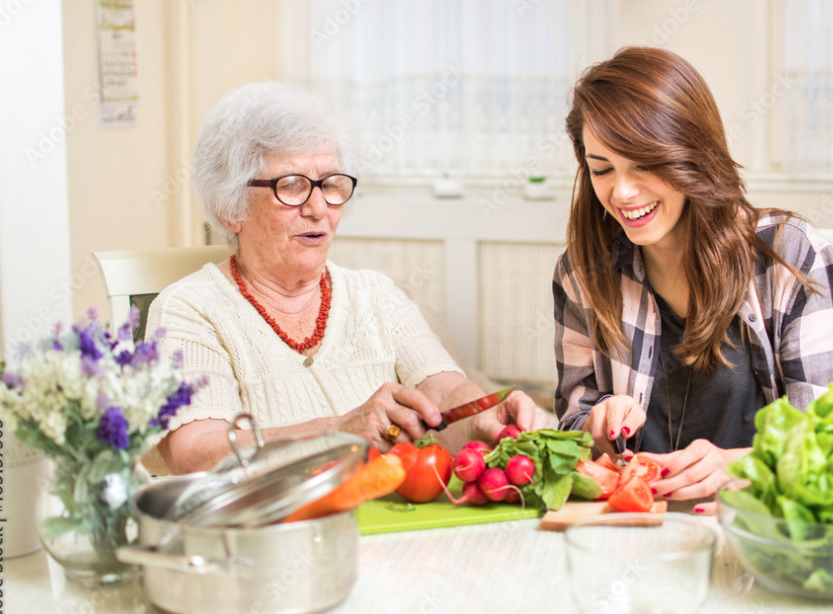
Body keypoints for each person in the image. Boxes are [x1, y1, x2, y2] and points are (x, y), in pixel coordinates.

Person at [147, 81, 545, 474]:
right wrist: (336, 431)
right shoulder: (189, 310)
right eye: (292, 186)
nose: (319, 208)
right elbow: (196, 452)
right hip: (277, 531)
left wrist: (481, 417)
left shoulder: (376, 294)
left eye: (331, 184)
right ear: (230, 207)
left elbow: (442, 388)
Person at [553, 47, 833, 509]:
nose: (621, 192)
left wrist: (741, 467)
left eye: (643, 163)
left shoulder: (790, 255)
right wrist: (597, 424)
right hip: (635, 531)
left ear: (690, 154)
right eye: (602, 169)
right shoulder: (581, 273)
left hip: (758, 533)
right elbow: (572, 425)